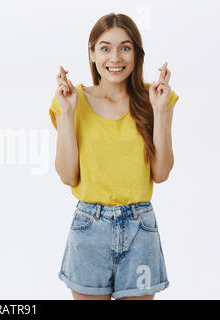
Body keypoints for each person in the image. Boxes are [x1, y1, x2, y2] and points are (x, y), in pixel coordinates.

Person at [49, 12, 179, 300]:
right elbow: (68, 175)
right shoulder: (72, 99)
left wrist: (158, 110)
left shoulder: (156, 97)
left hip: (140, 229)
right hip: (88, 227)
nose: (115, 58)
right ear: (92, 53)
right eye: (105, 48)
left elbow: (161, 173)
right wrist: (68, 113)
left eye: (125, 47)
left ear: (136, 54)